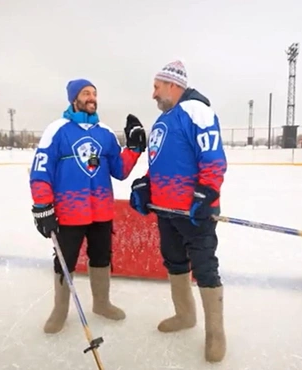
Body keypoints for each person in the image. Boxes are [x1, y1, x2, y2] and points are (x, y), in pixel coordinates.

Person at [129, 60, 228, 363]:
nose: (153, 95)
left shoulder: (196, 111)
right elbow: (160, 163)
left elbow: (213, 158)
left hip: (194, 212)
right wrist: (146, 185)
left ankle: (215, 333)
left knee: (205, 268)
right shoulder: (164, 120)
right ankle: (185, 315)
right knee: (174, 262)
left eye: (156, 87)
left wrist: (207, 192)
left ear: (173, 85)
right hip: (167, 212)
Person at [30, 78, 146, 334]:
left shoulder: (104, 132)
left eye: (94, 93)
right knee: (65, 260)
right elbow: (41, 171)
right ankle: (59, 311)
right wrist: (42, 206)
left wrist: (135, 149)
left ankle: (102, 304)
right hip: (69, 213)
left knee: (102, 257)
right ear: (74, 99)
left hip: (102, 211)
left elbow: (120, 170)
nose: (92, 97)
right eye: (86, 93)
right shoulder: (57, 129)